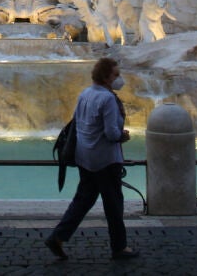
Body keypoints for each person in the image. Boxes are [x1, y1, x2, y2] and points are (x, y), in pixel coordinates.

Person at [45, 58, 139, 261]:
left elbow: (78, 123)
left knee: (83, 200)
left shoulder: (85, 94)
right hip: (106, 160)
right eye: (116, 75)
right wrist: (124, 136)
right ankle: (119, 247)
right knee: (114, 203)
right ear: (106, 77)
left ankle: (58, 237)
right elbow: (111, 133)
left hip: (85, 156)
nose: (119, 78)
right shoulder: (108, 99)